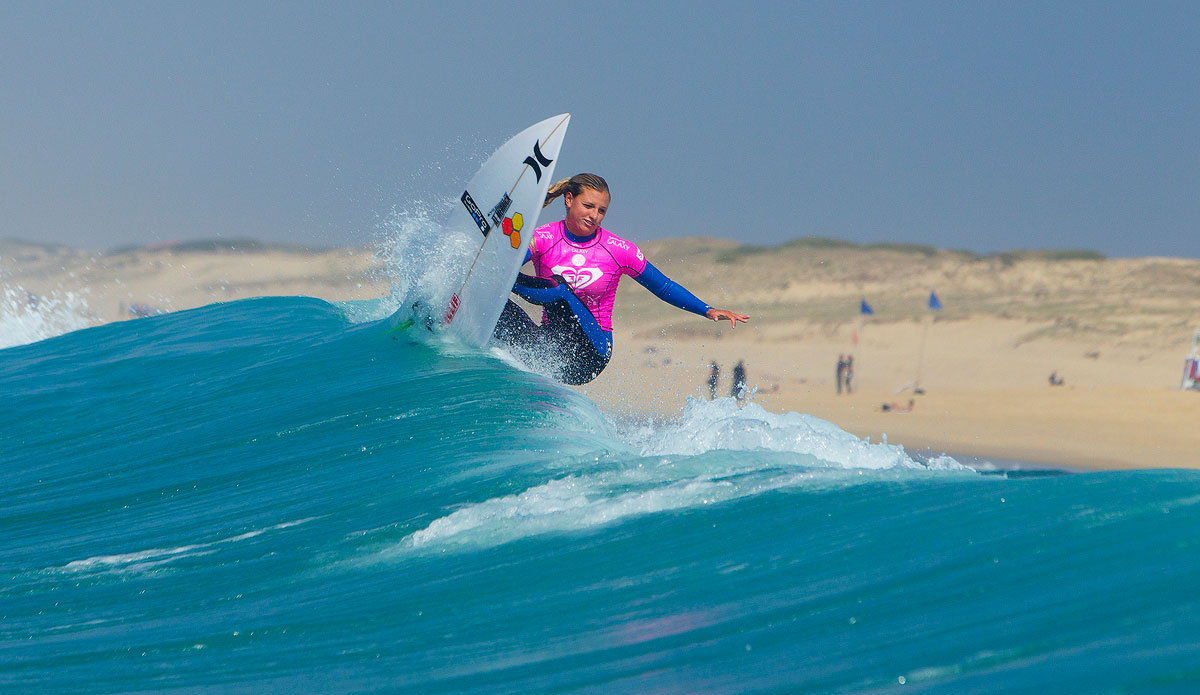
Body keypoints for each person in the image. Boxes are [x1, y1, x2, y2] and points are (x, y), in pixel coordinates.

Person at [493, 174, 749, 384]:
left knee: (559, 288)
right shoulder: (544, 237)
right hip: (551, 350)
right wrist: (497, 269)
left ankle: (498, 281)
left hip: (590, 354)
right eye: (589, 206)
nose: (594, 215)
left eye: (601, 210)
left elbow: (663, 286)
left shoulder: (618, 250)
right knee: (496, 309)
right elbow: (512, 261)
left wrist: (707, 310)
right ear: (569, 200)